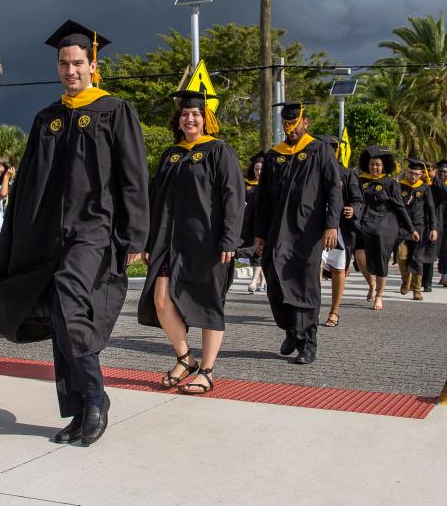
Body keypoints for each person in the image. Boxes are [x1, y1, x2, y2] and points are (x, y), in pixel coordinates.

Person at [0, 20, 148, 445]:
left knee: (72, 306)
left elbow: (133, 175)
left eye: (78, 63)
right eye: (63, 63)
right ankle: (76, 409)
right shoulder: (47, 118)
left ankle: (95, 397)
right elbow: (29, 184)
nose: (70, 70)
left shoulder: (114, 110)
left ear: (94, 65)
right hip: (47, 232)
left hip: (94, 227)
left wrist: (135, 233)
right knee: (59, 313)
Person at [138, 91, 244, 394]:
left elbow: (233, 197)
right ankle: (185, 358)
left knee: (209, 302)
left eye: (195, 114)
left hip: (207, 242)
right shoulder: (171, 153)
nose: (190, 118)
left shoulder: (219, 151)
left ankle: (207, 371)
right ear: (178, 119)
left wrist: (229, 239)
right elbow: (155, 198)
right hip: (169, 242)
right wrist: (148, 239)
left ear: (205, 118)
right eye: (185, 114)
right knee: (161, 300)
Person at [252, 103, 341, 365]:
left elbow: (334, 190)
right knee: (275, 280)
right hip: (277, 230)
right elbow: (263, 198)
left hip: (308, 231)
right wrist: (259, 233)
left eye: (294, 123)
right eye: (285, 124)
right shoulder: (274, 156)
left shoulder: (319, 150)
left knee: (304, 284)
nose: (289, 128)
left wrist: (331, 224)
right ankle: (291, 330)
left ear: (305, 122)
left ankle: (308, 342)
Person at [353, 147, 416, 311]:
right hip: (363, 223)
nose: (375, 168)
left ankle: (379, 296)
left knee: (381, 261)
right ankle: (371, 283)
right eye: (372, 164)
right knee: (359, 256)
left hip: (384, 224)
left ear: (384, 166)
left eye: (378, 165)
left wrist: (411, 228)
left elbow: (400, 207)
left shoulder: (390, 183)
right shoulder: (360, 181)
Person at [317, 134, 362, 328]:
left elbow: (358, 199)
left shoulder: (347, 174)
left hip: (340, 229)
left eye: (332, 150)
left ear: (336, 152)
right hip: (314, 229)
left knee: (337, 270)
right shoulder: (311, 173)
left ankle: (334, 311)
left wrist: (354, 210)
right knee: (314, 268)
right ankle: (312, 309)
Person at [397, 158, 436, 301]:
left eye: (416, 174)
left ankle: (417, 290)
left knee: (417, 259)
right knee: (401, 256)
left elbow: (431, 209)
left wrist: (434, 228)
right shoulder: (399, 186)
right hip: (403, 228)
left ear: (421, 175)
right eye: (411, 173)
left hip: (420, 228)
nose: (413, 177)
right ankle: (406, 278)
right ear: (406, 172)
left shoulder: (425, 188)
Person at [242, 153, 267, 293]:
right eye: (256, 169)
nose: (258, 172)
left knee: (259, 251)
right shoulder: (247, 184)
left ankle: (255, 280)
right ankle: (261, 280)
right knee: (256, 251)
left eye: (261, 169)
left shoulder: (269, 185)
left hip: (263, 222)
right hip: (249, 222)